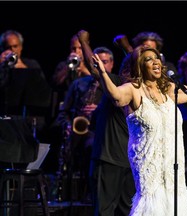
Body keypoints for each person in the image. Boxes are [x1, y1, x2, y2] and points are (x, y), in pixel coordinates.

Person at [92, 44, 187, 215]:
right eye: (149, 59)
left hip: (173, 169)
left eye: (157, 58)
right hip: (150, 169)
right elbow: (116, 97)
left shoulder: (167, 90)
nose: (155, 62)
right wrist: (103, 74)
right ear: (139, 65)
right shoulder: (133, 89)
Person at [78, 30, 136, 216]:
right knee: (117, 211)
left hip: (118, 160)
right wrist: (126, 46)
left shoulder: (124, 86)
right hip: (120, 160)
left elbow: (94, 67)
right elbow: (95, 68)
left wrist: (83, 41)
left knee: (114, 211)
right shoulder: (127, 86)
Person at [55, 43, 114, 202]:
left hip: (100, 132)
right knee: (66, 147)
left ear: (112, 64)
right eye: (95, 62)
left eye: (104, 62)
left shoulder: (116, 85)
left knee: (90, 146)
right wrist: (67, 125)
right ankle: (65, 193)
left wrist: (98, 110)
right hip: (78, 130)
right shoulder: (78, 84)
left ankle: (90, 194)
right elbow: (64, 112)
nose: (100, 65)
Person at [0, 29, 50, 141]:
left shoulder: (31, 64)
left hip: (25, 114)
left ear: (21, 47)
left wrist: (21, 67)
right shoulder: (1, 65)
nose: (12, 50)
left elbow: (42, 91)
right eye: (8, 47)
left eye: (15, 46)